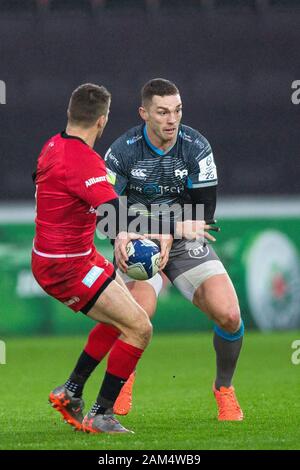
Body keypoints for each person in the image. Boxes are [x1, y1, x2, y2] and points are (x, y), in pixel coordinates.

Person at [57, 78, 244, 425]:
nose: (171, 119)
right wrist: (129, 236)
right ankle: (124, 376)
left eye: (177, 110)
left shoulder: (196, 147)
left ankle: (224, 389)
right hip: (139, 242)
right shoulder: (122, 152)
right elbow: (105, 214)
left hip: (186, 241)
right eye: (162, 111)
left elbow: (204, 212)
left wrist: (173, 233)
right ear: (144, 113)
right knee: (137, 315)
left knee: (230, 315)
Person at [31, 83, 155, 434]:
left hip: (72, 255)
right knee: (140, 328)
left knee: (127, 318)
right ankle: (102, 415)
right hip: (66, 266)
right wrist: (124, 237)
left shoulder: (53, 144)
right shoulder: (83, 160)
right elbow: (113, 209)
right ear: (103, 120)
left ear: (70, 114)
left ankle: (70, 391)